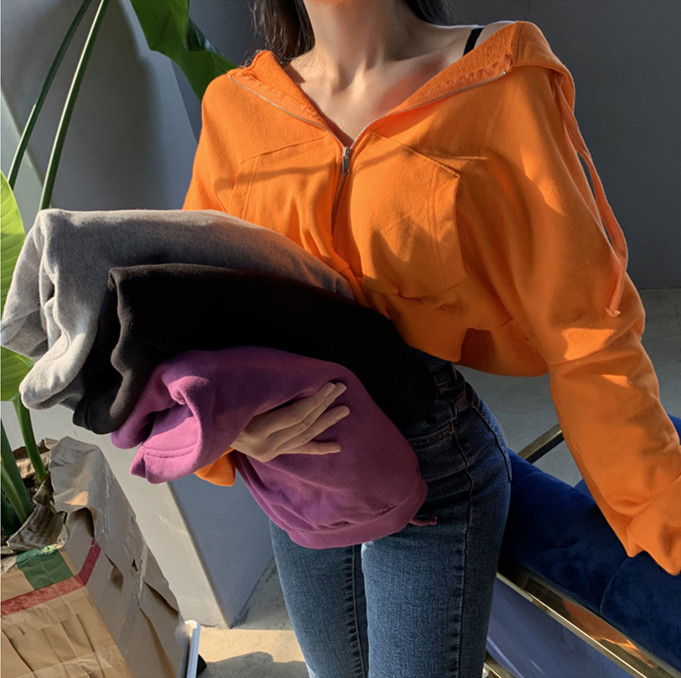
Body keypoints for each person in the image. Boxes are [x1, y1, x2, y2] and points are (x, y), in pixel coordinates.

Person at [183, 1, 681, 676]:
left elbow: (585, 325)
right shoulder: (236, 106)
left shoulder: (498, 75)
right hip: (296, 473)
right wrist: (230, 432)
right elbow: (201, 308)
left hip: (432, 469)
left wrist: (658, 512)